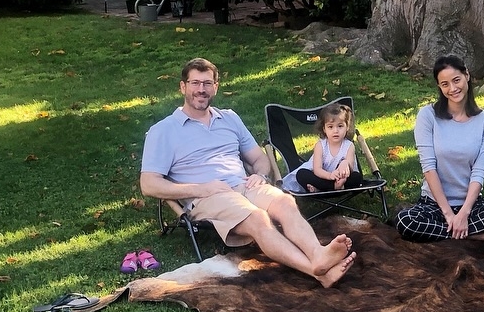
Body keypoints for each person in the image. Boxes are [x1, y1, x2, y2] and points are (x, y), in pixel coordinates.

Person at [140, 57, 355, 286]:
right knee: (258, 218)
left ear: (216, 87)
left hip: (244, 185)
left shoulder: (229, 118)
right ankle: (317, 272)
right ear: (183, 87)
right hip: (207, 196)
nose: (201, 89)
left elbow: (259, 159)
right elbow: (149, 184)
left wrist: (259, 175)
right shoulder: (163, 130)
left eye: (207, 83)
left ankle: (318, 254)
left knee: (284, 202)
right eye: (195, 83)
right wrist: (201, 189)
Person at [394, 53, 484, 242]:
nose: (452, 88)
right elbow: (429, 168)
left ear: (467, 75)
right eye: (445, 84)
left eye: (456, 80)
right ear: (439, 87)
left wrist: (464, 213)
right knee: (406, 221)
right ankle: (474, 235)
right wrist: (449, 215)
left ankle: (457, 232)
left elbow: (479, 172)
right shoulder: (427, 115)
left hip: (471, 206)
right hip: (434, 205)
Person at [282, 102, 366, 194]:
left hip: (341, 179)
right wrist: (330, 176)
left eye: (340, 126)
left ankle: (324, 188)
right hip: (322, 177)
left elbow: (350, 166)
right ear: (324, 129)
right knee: (301, 174)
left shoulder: (349, 145)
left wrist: (345, 164)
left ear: (347, 127)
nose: (335, 130)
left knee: (356, 177)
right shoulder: (320, 145)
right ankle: (334, 187)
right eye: (330, 127)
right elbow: (317, 170)